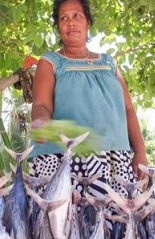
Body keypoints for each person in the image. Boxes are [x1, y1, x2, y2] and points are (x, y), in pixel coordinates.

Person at [29, 0, 148, 199]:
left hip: (114, 158)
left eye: (77, 16)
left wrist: (140, 151)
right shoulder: (50, 62)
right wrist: (41, 122)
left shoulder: (109, 63)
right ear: (58, 26)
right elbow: (41, 104)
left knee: (114, 225)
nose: (71, 22)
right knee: (65, 226)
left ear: (88, 22)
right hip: (64, 158)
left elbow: (128, 109)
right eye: (63, 18)